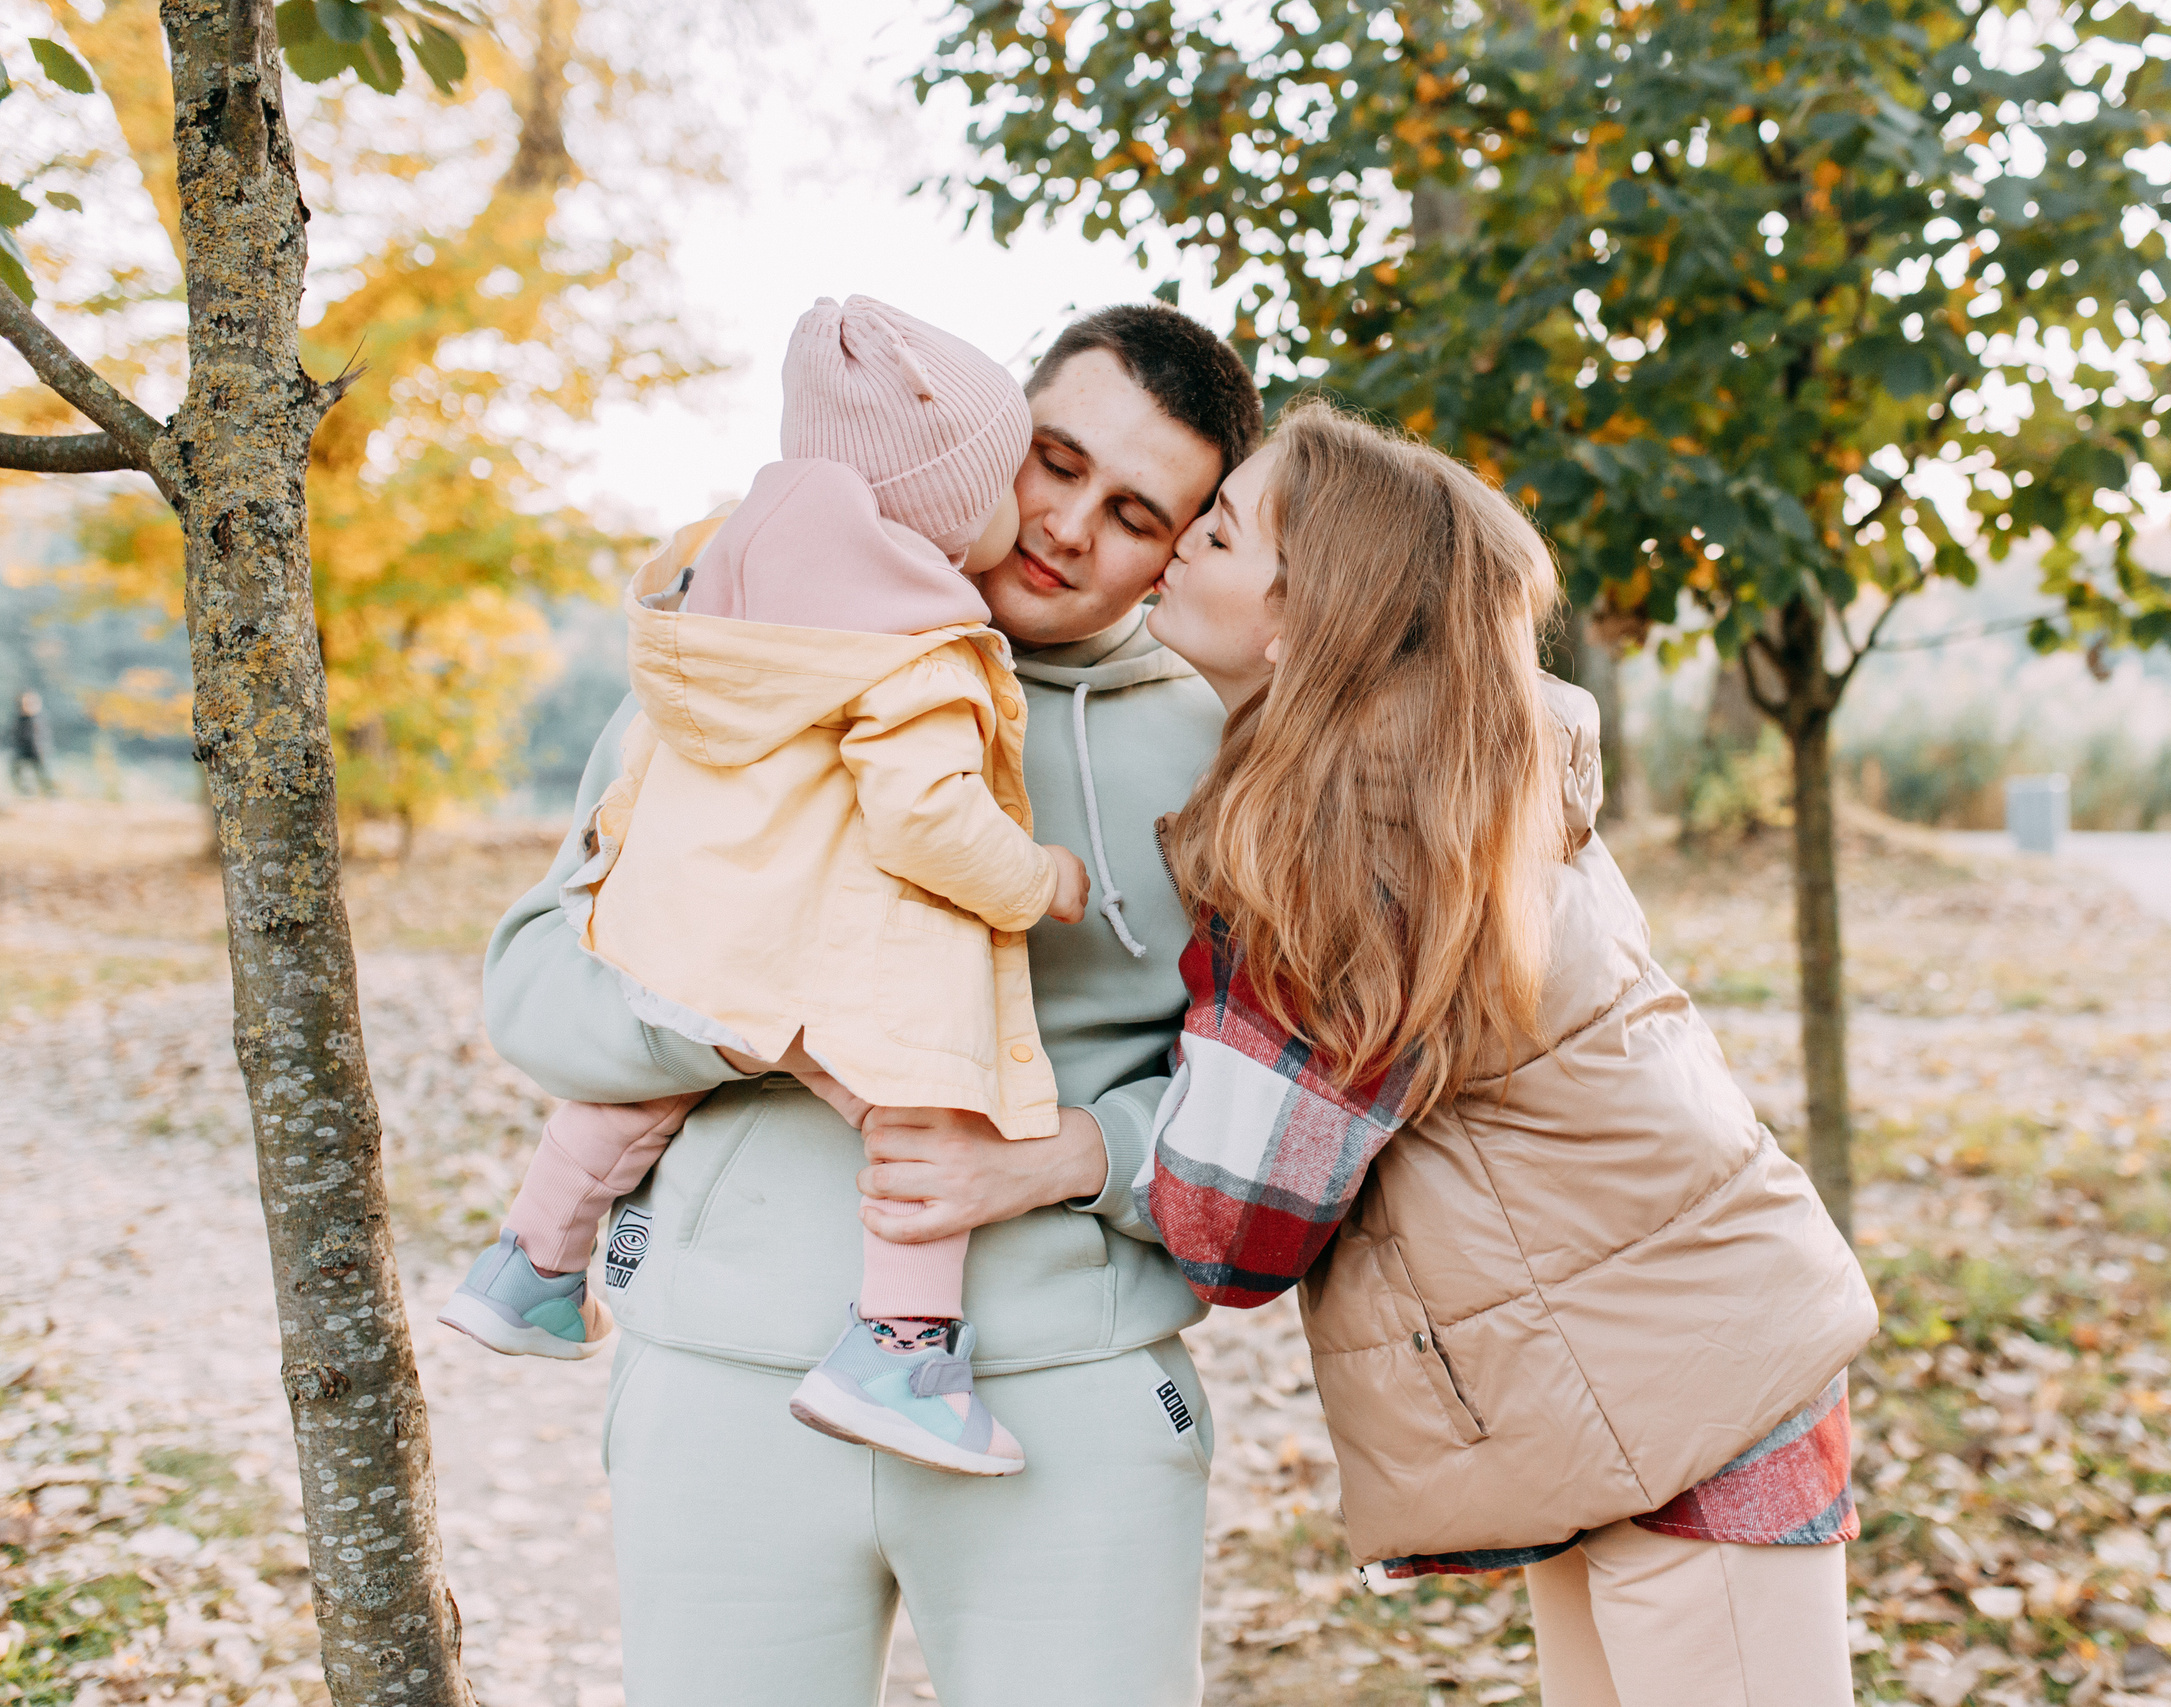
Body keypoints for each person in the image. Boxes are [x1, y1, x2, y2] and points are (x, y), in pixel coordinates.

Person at [481, 302, 1263, 1705]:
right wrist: (749, 1015)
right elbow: (536, 988)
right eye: (1057, 460)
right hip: (723, 1379)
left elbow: (1276, 1100)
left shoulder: (1215, 753)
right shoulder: (746, 649)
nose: (1071, 525)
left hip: (1064, 1392)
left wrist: (1063, 1155)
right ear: (994, 433)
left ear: (1174, 552)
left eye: (1135, 511)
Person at [1136, 398, 1881, 1706]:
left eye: (1222, 526)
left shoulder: (1368, 830)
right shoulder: (1427, 780)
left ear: (1307, 611)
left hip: (1686, 1399)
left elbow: (1227, 1221)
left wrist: (1076, 1127)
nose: (1180, 541)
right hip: (1635, 1388)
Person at [444, 297, 1095, 1480]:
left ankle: (528, 1267)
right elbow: (927, 818)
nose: (1033, 514)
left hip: (677, 943)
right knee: (925, 1104)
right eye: (1013, 479)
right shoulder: (915, 640)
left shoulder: (725, 598)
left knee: (626, 1103)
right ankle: (898, 1352)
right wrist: (1036, 878)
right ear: (946, 510)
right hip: (814, 967)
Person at [10, 691, 55, 796]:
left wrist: (42, 749)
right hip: (22, 751)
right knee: (17, 772)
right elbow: (13, 735)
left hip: (38, 751)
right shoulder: (19, 719)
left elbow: (43, 737)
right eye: (25, 704)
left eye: (31, 703)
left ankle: (50, 792)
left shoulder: (39, 719)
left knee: (43, 773)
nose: (28, 706)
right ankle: (25, 792)